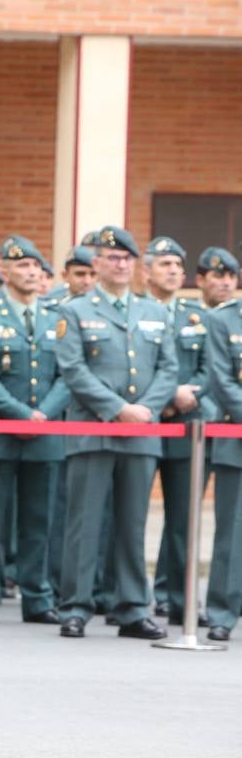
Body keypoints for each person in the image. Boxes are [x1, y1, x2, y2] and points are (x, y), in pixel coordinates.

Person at [55, 225, 175, 640]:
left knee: (133, 523)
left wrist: (145, 409)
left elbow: (168, 369)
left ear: (134, 264)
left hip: (141, 430)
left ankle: (131, 608)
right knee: (83, 523)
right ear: (98, 263)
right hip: (93, 428)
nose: (119, 264)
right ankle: (75, 606)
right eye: (111, 257)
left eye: (126, 258)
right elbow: (72, 370)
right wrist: (117, 408)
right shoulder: (74, 311)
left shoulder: (155, 312)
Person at [0, 236, 66, 625]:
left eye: (36, 267)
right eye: (21, 266)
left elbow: (67, 374)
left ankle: (38, 596)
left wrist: (43, 414)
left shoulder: (56, 317)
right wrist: (20, 413)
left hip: (45, 433)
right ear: (4, 271)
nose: (30, 273)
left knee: (39, 520)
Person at [142, 236, 210, 624]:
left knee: (183, 518)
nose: (173, 271)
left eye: (177, 266)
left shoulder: (195, 318)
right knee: (129, 514)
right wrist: (164, 397)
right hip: (143, 422)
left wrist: (186, 397)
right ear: (146, 269)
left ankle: (178, 598)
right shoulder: (134, 312)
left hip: (187, 425)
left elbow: (208, 368)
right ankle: (126, 597)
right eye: (165, 264)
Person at [201, 247, 242, 641]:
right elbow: (221, 379)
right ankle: (222, 613)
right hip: (238, 437)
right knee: (232, 533)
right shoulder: (221, 319)